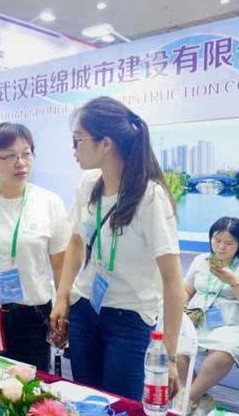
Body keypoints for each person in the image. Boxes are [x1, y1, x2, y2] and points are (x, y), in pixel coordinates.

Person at [49, 96, 184, 401]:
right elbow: (76, 242)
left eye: (78, 140)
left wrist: (170, 356)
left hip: (129, 318)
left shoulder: (150, 197)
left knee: (121, 406)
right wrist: (62, 297)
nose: (74, 149)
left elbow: (173, 281)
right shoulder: (89, 184)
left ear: (106, 144)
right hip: (85, 309)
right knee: (86, 400)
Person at [0, 122, 70, 371]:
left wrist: (63, 309)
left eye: (26, 154)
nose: (20, 163)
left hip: (32, 320)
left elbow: (61, 265)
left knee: (29, 390)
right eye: (10, 156)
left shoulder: (49, 203)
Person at [178, 217, 239, 415]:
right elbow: (186, 291)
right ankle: (201, 399)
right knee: (175, 345)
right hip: (198, 322)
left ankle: (187, 401)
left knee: (223, 352)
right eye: (217, 240)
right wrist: (182, 307)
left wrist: (234, 282)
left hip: (236, 326)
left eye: (229, 243)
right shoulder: (201, 261)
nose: (221, 247)